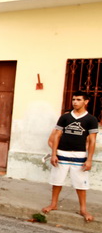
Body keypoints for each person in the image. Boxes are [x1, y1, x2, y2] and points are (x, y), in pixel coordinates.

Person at [42, 91, 98, 222]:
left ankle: (83, 209)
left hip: (79, 154)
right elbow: (57, 135)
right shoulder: (65, 117)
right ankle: (53, 204)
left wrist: (89, 159)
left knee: (80, 184)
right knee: (57, 181)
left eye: (78, 99)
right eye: (73, 99)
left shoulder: (91, 119)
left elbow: (92, 141)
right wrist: (54, 153)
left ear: (86, 101)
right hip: (62, 153)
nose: (75, 102)